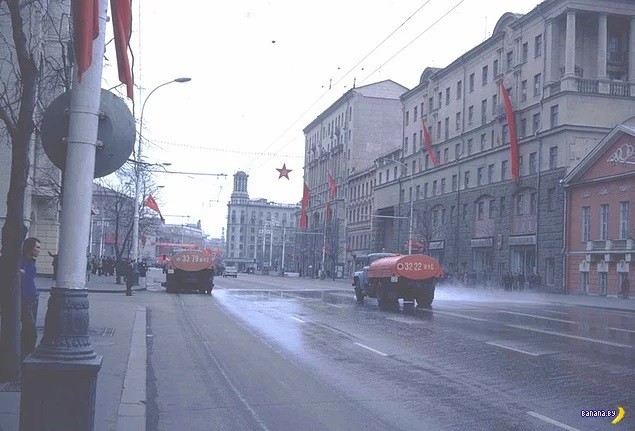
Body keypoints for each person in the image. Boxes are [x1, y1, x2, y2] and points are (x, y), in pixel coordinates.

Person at [20, 237, 41, 360]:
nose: (39, 250)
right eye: (37, 247)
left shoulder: (32, 261)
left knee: (27, 332)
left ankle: (24, 357)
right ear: (30, 248)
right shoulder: (19, 261)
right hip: (25, 302)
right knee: (32, 332)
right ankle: (27, 358)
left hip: (33, 299)